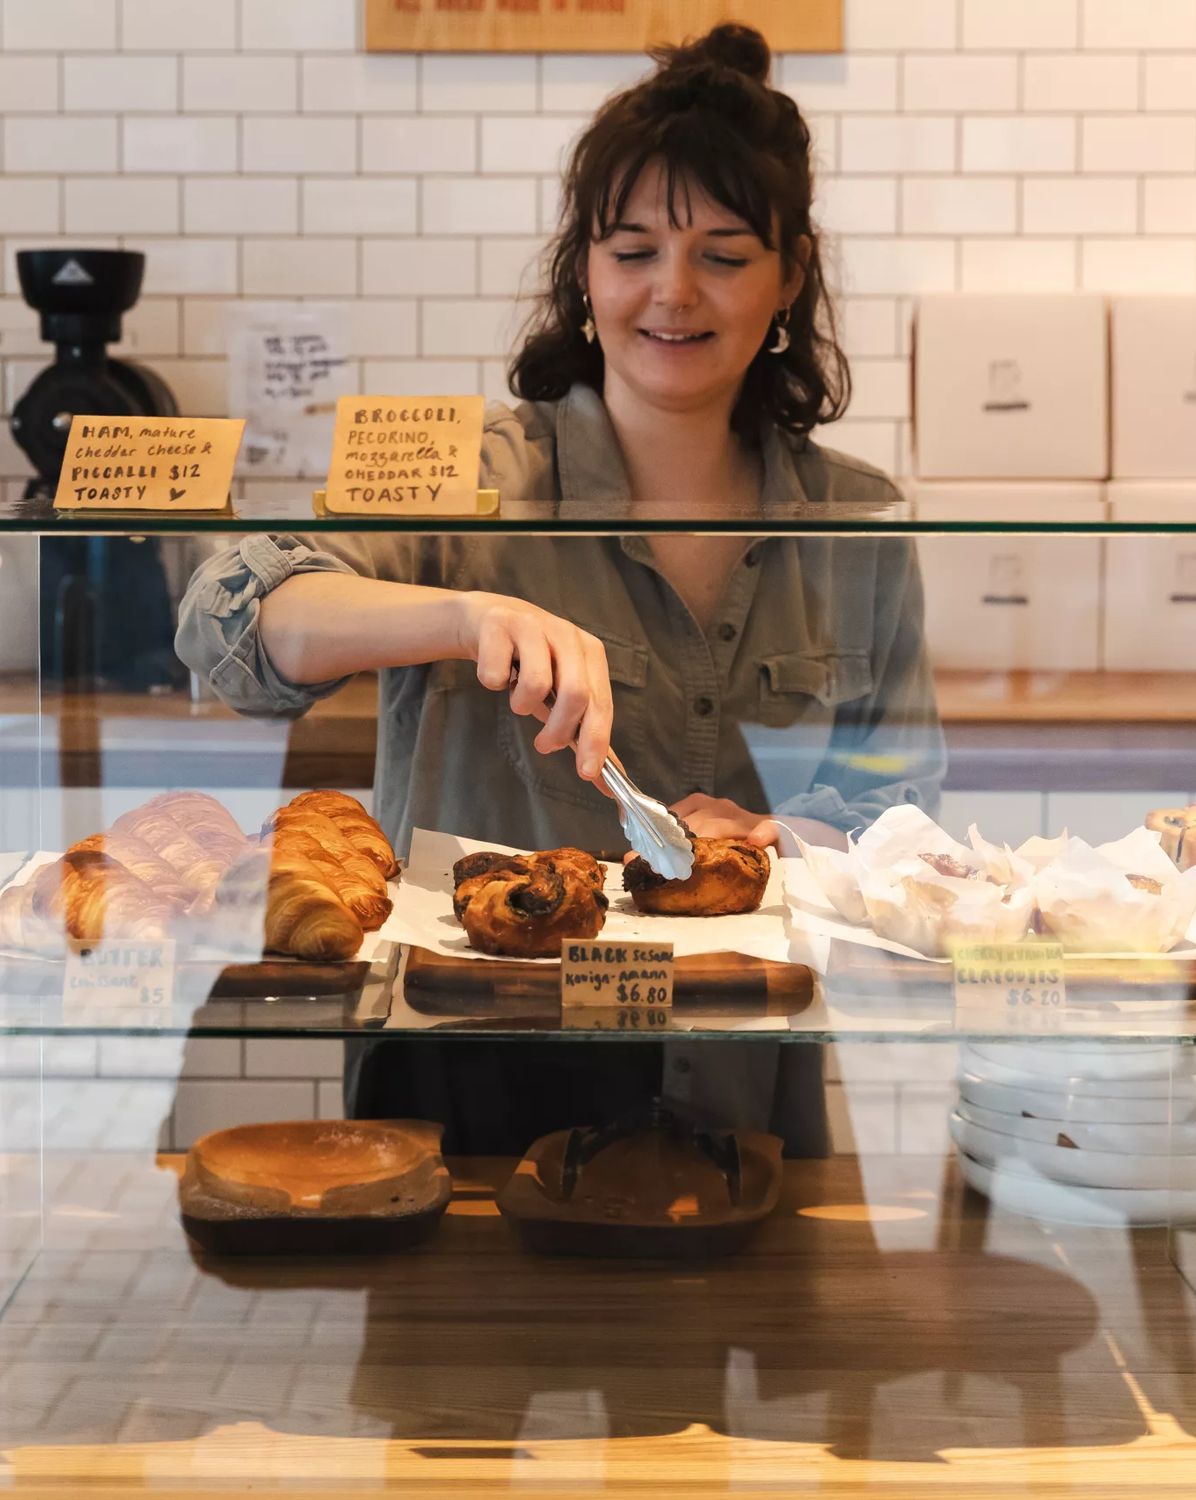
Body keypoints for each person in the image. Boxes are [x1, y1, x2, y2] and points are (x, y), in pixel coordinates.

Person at [177, 24, 945, 1156]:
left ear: (789, 277)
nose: (672, 293)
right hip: (468, 1059)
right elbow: (228, 619)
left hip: (743, 1064)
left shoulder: (856, 520)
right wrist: (464, 614)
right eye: (632, 250)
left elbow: (899, 801)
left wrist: (783, 832)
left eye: (723, 256)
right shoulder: (471, 477)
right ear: (582, 273)